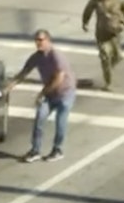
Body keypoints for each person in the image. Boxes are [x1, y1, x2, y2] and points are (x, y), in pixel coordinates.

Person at [5, 29, 77, 163]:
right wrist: (10, 86)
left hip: (65, 93)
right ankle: (35, 150)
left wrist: (43, 92)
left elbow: (59, 78)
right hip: (50, 93)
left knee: (60, 122)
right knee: (39, 119)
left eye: (41, 40)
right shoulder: (37, 57)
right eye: (36, 40)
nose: (38, 43)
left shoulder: (56, 55)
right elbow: (24, 73)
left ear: (48, 40)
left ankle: (57, 149)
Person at [81, 0, 124, 91]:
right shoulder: (97, 0)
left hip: (115, 34)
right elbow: (88, 9)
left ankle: (107, 68)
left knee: (118, 57)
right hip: (101, 34)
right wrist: (85, 22)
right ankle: (108, 83)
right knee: (105, 57)